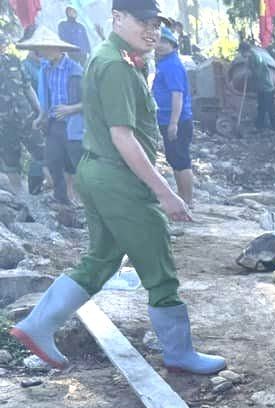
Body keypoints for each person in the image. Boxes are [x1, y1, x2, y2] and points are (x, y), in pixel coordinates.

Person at [10, 0, 225, 376]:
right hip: (119, 179)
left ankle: (38, 324)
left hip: (99, 173)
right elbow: (123, 137)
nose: (152, 30)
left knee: (101, 259)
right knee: (159, 268)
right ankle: (179, 353)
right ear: (118, 18)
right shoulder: (116, 66)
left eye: (156, 23)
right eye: (143, 21)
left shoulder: (114, 57)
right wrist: (164, 192)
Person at [19, 27, 84, 207]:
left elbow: (91, 102)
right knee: (54, 161)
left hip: (73, 125)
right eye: (40, 48)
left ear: (57, 48)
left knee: (77, 164)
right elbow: (45, 98)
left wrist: (70, 109)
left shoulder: (75, 70)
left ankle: (84, 199)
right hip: (54, 124)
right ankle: (62, 200)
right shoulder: (45, 69)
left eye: (46, 48)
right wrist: (41, 116)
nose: (42, 52)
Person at [1, 33, 45, 199]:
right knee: (11, 161)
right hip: (3, 123)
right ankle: (21, 197)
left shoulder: (13, 60)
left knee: (42, 152)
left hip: (25, 116)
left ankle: (41, 190)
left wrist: (39, 109)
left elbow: (27, 87)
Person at [152, 25, 193, 205]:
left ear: (174, 45)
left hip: (177, 120)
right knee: (175, 159)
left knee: (181, 160)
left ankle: (188, 200)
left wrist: (173, 123)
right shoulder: (164, 63)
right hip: (168, 118)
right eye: (158, 41)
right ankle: (183, 198)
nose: (160, 45)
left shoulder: (171, 65)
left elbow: (177, 95)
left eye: (165, 42)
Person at [18, 43, 46, 195]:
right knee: (39, 152)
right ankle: (34, 190)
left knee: (43, 152)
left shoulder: (45, 64)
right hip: (30, 114)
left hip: (45, 111)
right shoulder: (24, 66)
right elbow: (29, 89)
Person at [238, 39, 275, 131]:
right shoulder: (251, 57)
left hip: (266, 86)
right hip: (261, 87)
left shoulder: (255, 57)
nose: (241, 54)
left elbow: (258, 73)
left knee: (269, 108)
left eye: (241, 52)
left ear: (246, 51)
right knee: (261, 107)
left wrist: (249, 72)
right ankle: (259, 126)